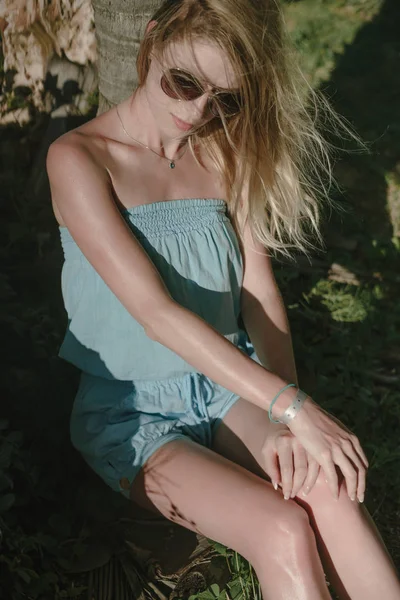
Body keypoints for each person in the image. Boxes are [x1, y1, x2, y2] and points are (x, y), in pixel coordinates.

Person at [46, 1, 400, 598]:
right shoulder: (80, 160)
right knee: (283, 528)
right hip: (134, 411)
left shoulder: (223, 152)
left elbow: (258, 290)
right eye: (184, 83)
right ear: (153, 39)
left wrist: (288, 420)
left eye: (225, 97)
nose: (197, 111)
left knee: (324, 484)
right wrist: (292, 407)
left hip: (231, 387)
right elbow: (156, 316)